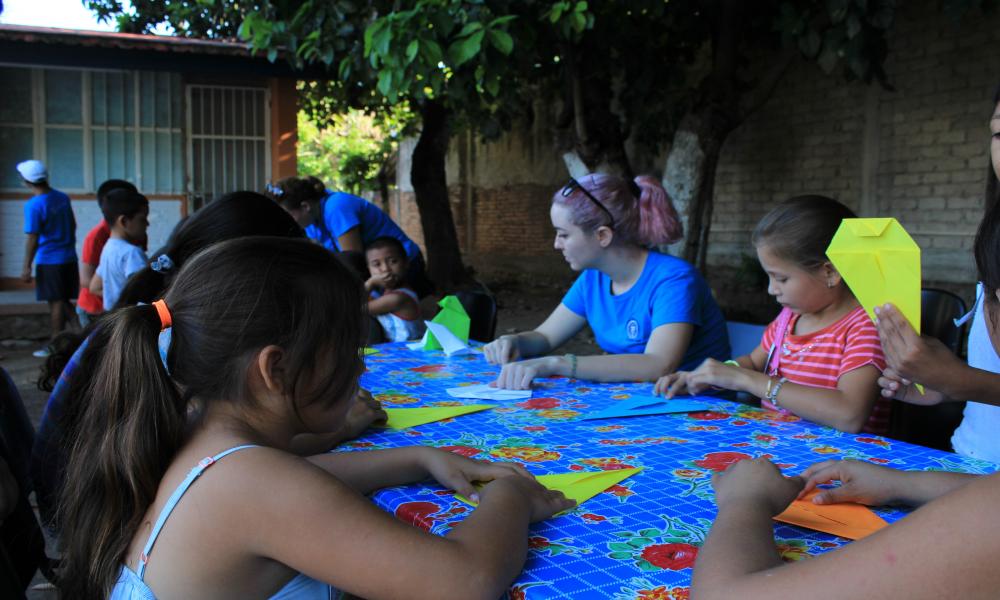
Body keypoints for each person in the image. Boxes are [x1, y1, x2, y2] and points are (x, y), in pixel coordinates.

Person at [57, 237, 573, 600]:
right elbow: (465, 580)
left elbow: (307, 481)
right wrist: (512, 498)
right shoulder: (256, 484)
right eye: (348, 350)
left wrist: (418, 458)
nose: (362, 366)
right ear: (276, 368)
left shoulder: (201, 440)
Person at [30, 192, 387, 533]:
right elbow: (245, 459)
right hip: (90, 529)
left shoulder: (159, 322)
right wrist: (340, 428)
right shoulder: (173, 349)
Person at [656, 196, 889, 434]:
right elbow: (756, 363)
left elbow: (849, 414)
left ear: (830, 272)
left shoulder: (866, 326)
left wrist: (747, 380)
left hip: (841, 460)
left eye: (781, 278)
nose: (771, 289)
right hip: (779, 444)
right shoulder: (789, 317)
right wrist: (714, 375)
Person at [483, 173, 730, 390]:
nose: (556, 244)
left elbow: (658, 364)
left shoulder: (674, 280)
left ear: (602, 235)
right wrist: (514, 341)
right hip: (634, 404)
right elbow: (545, 337)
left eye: (564, 234)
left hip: (700, 412)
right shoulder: (593, 278)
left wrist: (557, 363)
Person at [876, 90, 1000, 461]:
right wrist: (945, 385)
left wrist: (959, 380)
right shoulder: (994, 242)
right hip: (967, 462)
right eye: (999, 133)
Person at [269, 176, 433, 297]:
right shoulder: (311, 222)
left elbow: (353, 261)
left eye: (287, 214)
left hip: (400, 266)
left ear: (305, 206)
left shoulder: (336, 207)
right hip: (374, 271)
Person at [17, 159, 78, 357]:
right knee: (63, 299)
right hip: (69, 257)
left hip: (50, 260)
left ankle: (55, 345)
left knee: (56, 303)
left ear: (27, 181)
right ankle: (82, 333)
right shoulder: (62, 198)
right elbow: (73, 225)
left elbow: (33, 238)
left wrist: (26, 266)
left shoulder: (34, 205)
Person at [77, 180, 142, 327]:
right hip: (95, 309)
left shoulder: (136, 231)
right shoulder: (96, 237)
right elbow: (87, 281)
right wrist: (118, 295)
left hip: (118, 310)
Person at [90, 189, 150, 311]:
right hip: (132, 320)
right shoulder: (132, 253)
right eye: (142, 219)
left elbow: (94, 287)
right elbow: (146, 293)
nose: (147, 224)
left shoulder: (108, 249)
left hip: (113, 319)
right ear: (124, 221)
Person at [365, 236, 426, 342]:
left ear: (406, 263)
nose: (385, 269)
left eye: (393, 261)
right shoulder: (386, 294)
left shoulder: (397, 298)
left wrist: (371, 282)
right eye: (376, 264)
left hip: (406, 355)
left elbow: (353, 308)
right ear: (369, 269)